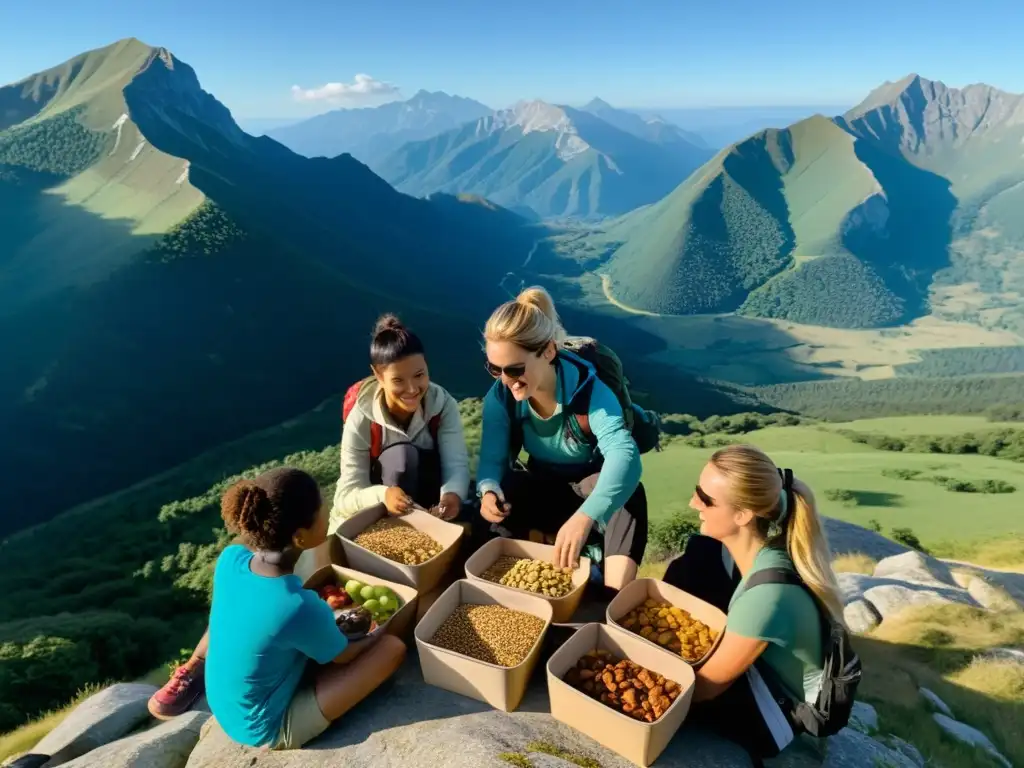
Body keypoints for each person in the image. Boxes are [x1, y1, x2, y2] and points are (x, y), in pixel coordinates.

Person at [152, 467, 406, 748]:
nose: (326, 514)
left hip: (225, 703)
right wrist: (379, 629)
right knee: (392, 649)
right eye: (321, 511)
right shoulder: (294, 604)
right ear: (299, 537)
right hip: (264, 727)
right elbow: (345, 657)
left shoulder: (231, 558)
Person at [661, 444, 844, 763]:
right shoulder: (762, 548)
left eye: (704, 498)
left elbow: (703, 688)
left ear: (743, 514)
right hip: (763, 661)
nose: (693, 503)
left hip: (775, 712)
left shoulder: (767, 597)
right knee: (698, 555)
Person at [475, 286, 646, 593]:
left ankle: (611, 599)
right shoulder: (500, 397)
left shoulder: (590, 392)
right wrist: (488, 490)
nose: (506, 380)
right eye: (494, 369)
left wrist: (587, 515)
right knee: (506, 489)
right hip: (542, 483)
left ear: (549, 351)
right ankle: (516, 581)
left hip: (588, 491)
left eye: (515, 368)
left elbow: (625, 457)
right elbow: (493, 460)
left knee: (631, 496)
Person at [331, 314, 470, 527]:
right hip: (382, 512)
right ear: (378, 376)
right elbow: (347, 495)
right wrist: (383, 495)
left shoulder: (442, 405)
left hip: (430, 504)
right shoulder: (361, 418)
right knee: (402, 457)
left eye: (419, 375)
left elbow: (456, 464)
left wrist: (451, 496)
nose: (413, 389)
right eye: (398, 380)